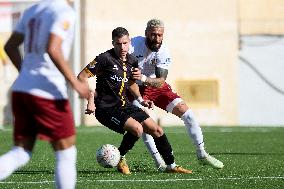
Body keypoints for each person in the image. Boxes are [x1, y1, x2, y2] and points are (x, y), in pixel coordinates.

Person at [78, 26, 192, 175]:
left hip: (124, 105)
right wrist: (91, 99)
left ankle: (171, 166)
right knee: (137, 129)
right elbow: (81, 77)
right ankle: (120, 157)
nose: (122, 47)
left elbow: (131, 84)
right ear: (113, 43)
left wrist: (141, 99)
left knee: (156, 129)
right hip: (105, 108)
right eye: (118, 44)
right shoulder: (104, 59)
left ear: (129, 42)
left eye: (125, 43)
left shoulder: (132, 61)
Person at [0, 0, 89, 188]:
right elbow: (53, 48)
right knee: (66, 152)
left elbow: (10, 46)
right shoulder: (64, 11)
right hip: (46, 92)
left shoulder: (33, 10)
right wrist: (75, 83)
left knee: (21, 153)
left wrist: (26, 73)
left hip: (22, 90)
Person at [129, 18, 224, 170]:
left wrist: (144, 78)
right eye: (153, 35)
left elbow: (160, 81)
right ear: (146, 33)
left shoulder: (163, 51)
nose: (157, 39)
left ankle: (202, 154)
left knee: (188, 114)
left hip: (155, 86)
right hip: (135, 89)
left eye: (160, 35)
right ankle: (159, 162)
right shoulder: (133, 45)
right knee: (146, 123)